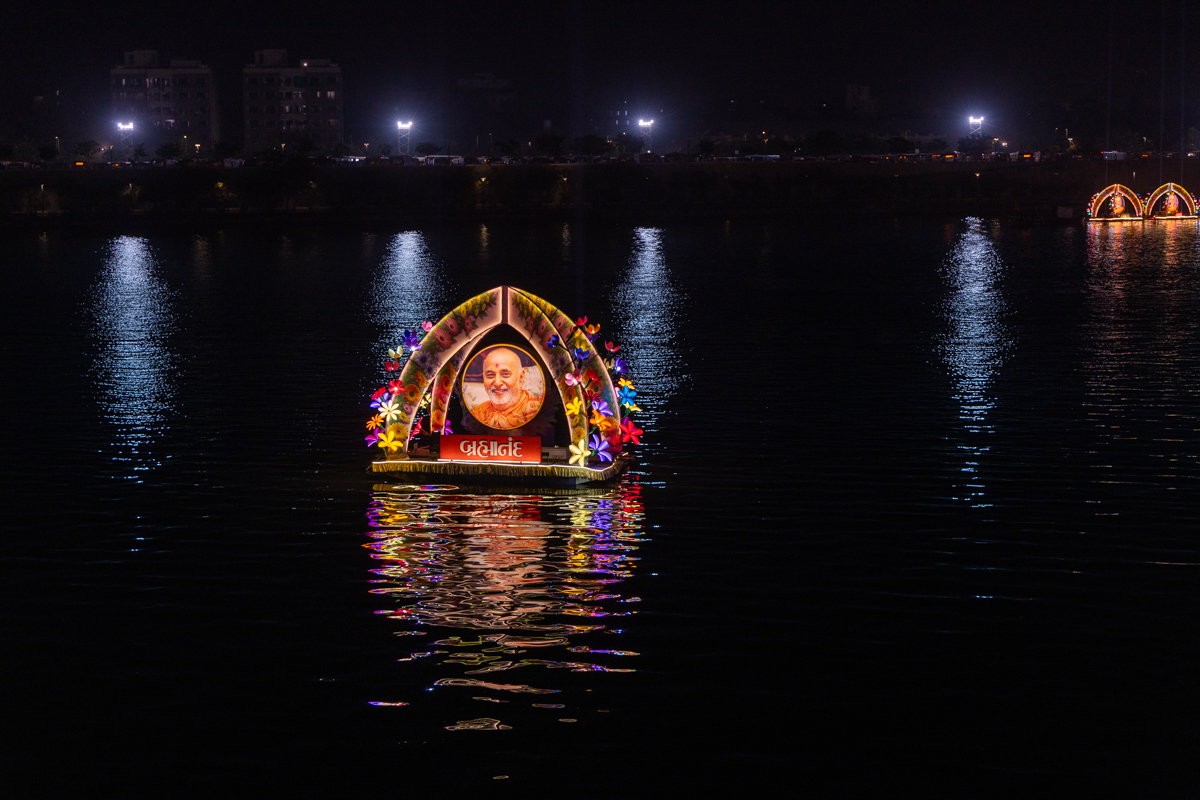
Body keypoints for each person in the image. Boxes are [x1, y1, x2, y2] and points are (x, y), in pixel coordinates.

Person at [468, 347, 543, 430]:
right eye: (490, 375)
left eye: (505, 374)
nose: (497, 383)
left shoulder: (538, 409)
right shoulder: (478, 412)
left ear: (521, 378)